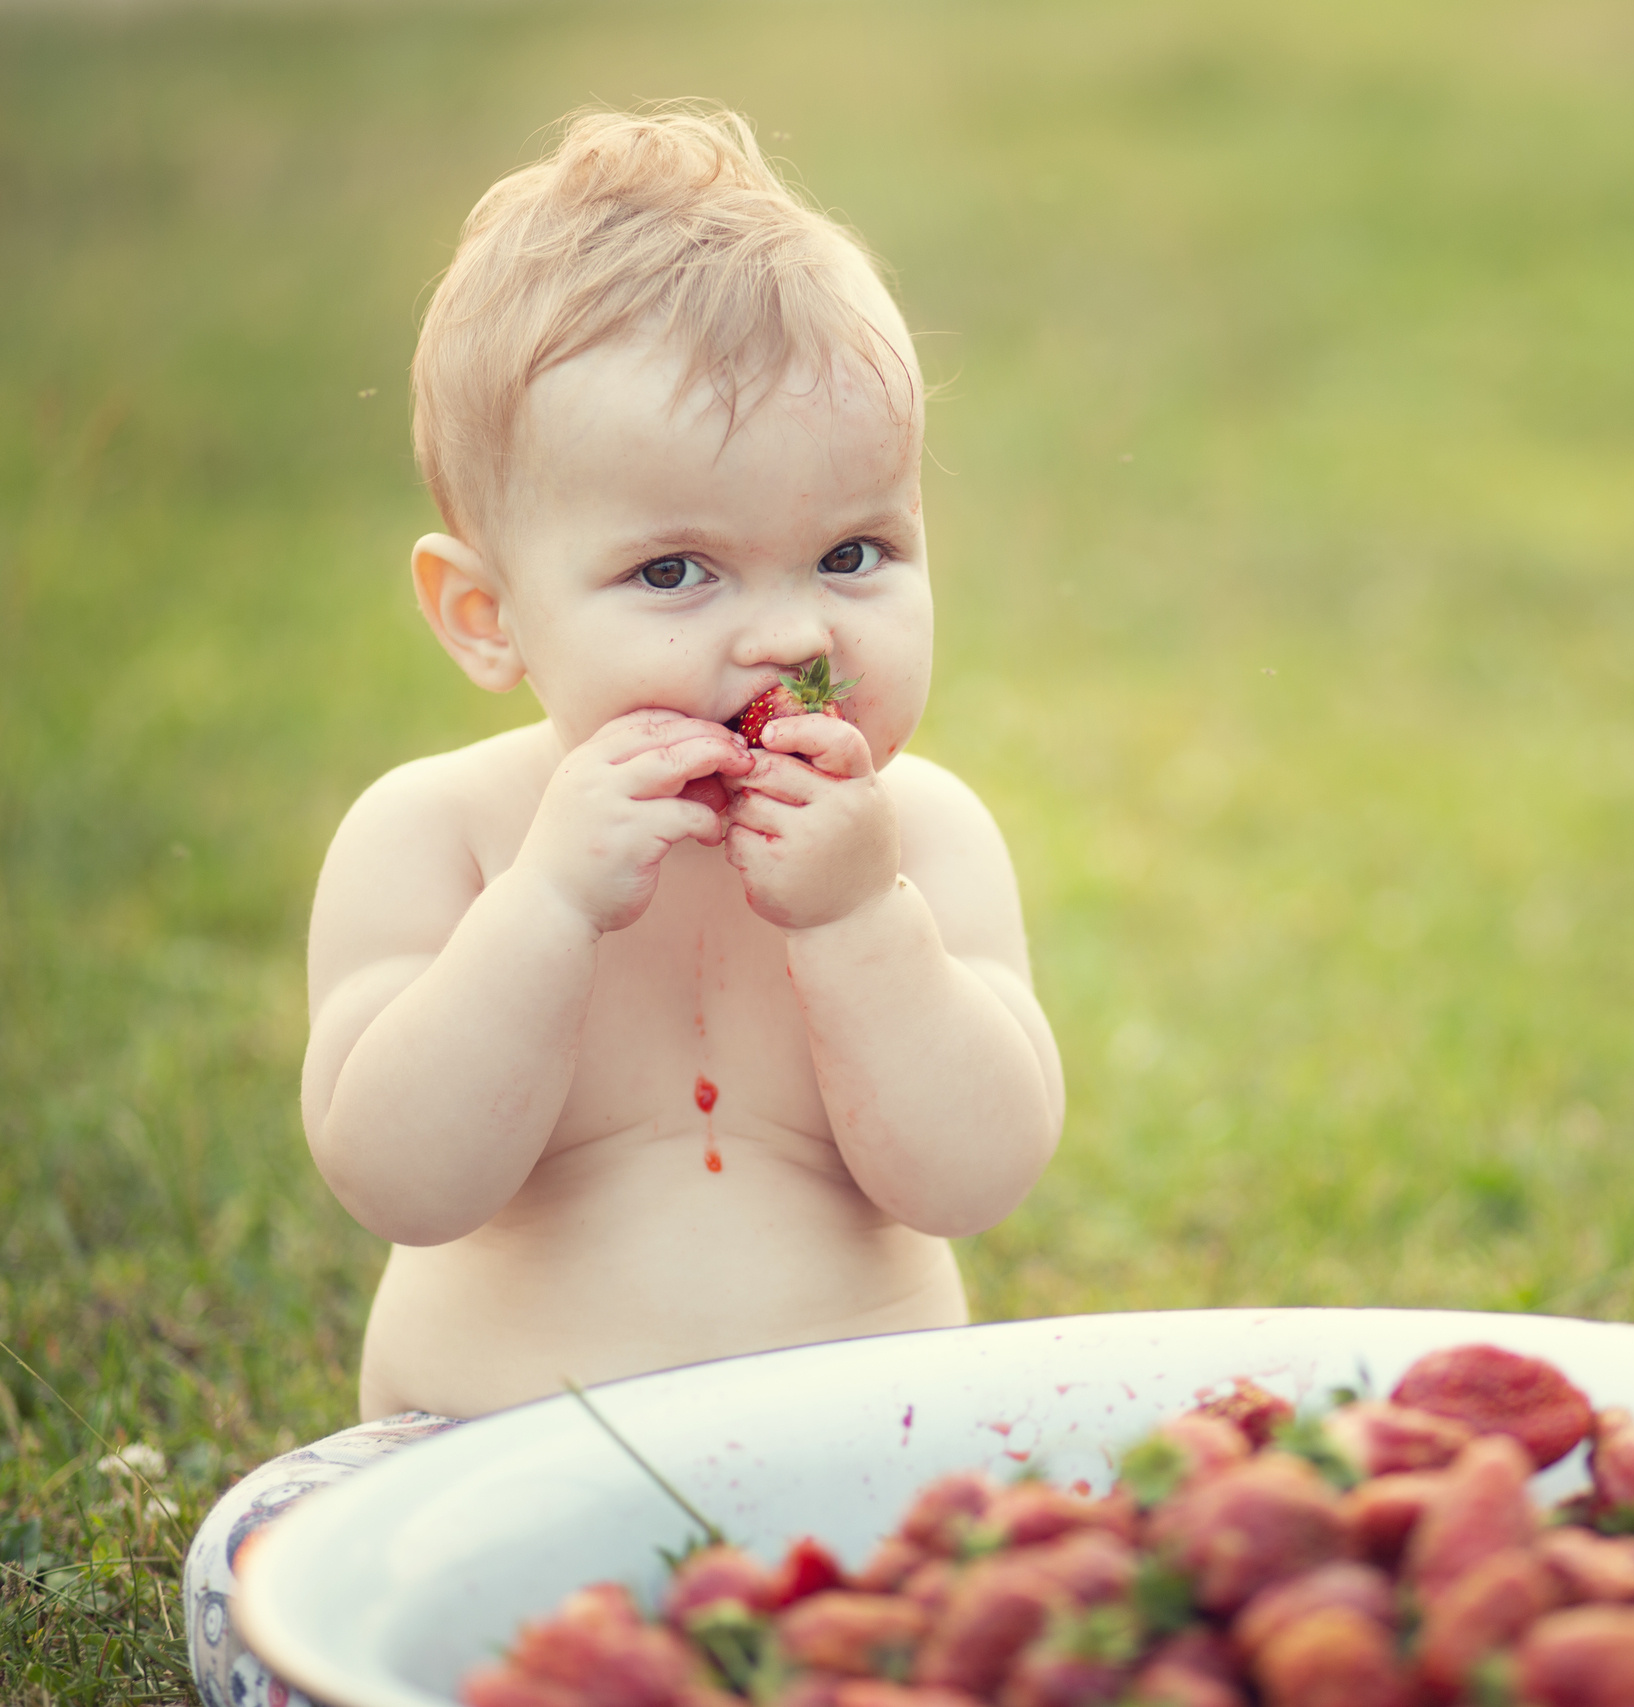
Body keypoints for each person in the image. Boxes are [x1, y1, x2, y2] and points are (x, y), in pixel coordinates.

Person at [183, 103, 1065, 1707]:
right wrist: (544, 910)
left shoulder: (920, 840)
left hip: (865, 1496)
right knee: (255, 1567)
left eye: (856, 553)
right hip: (492, 1487)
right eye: (677, 574)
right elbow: (402, 1180)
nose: (786, 638)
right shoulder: (436, 839)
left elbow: (977, 1173)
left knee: (1070, 1576)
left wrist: (865, 928)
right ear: (485, 616)